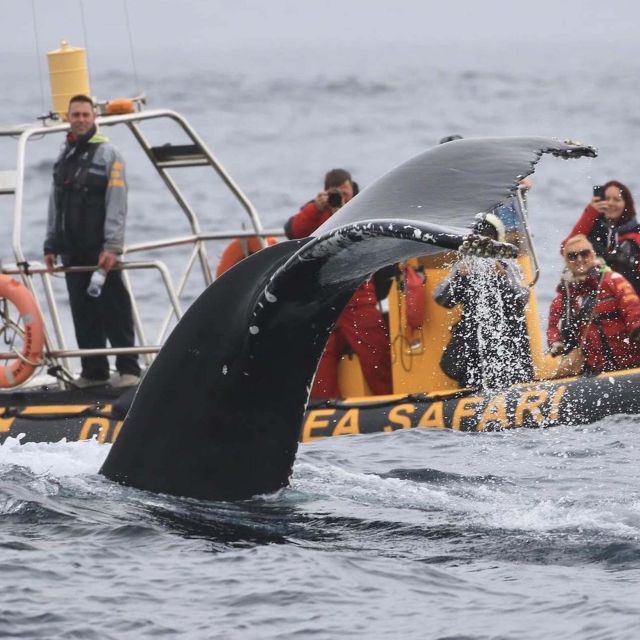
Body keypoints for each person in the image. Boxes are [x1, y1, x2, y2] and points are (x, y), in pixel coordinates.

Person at [44, 94, 140, 388]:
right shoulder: (64, 158)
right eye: (76, 115)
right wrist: (51, 245)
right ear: (68, 118)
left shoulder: (110, 155)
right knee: (82, 313)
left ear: (94, 118)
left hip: (102, 253)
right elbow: (54, 205)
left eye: (86, 114)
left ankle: (129, 369)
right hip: (73, 252)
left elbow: (117, 203)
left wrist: (112, 246)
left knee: (115, 310)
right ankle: (93, 371)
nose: (81, 119)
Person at [284, 168, 392, 399]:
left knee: (375, 353)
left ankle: (388, 398)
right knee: (321, 359)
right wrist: (318, 207)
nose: (341, 196)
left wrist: (345, 210)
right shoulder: (316, 212)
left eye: (346, 190)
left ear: (353, 189)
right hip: (323, 299)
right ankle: (323, 406)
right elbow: (294, 231)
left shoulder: (366, 209)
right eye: (336, 192)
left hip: (358, 293)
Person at [434, 213, 532, 388]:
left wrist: (503, 277)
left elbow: (522, 298)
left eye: (488, 237)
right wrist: (458, 277)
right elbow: (442, 299)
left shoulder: (509, 265)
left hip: (507, 338)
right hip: (473, 346)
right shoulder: (464, 266)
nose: (483, 242)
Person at [547, 234, 640, 374]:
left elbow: (633, 309)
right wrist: (555, 343)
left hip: (630, 364)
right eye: (572, 256)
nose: (579, 259)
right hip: (595, 371)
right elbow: (553, 326)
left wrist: (637, 329)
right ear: (566, 261)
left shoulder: (613, 281)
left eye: (584, 254)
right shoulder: (564, 296)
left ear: (593, 255)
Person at [564, 180, 640, 293]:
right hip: (595, 295)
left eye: (617, 199)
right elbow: (567, 249)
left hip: (628, 297)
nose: (610, 203)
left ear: (626, 204)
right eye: (607, 199)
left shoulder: (635, 236)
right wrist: (591, 212)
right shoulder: (593, 231)